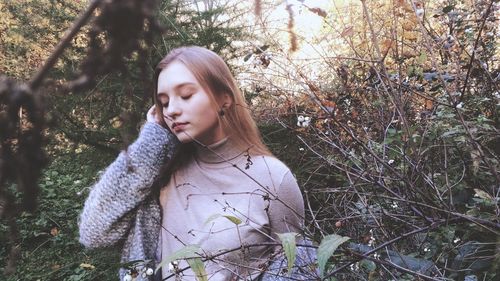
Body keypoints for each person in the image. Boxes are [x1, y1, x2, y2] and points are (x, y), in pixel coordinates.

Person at [78, 46, 306, 281]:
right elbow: (94, 233)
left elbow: (294, 267)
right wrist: (151, 140)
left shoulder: (273, 178)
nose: (172, 110)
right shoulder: (162, 172)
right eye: (163, 103)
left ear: (224, 99)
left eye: (186, 95)